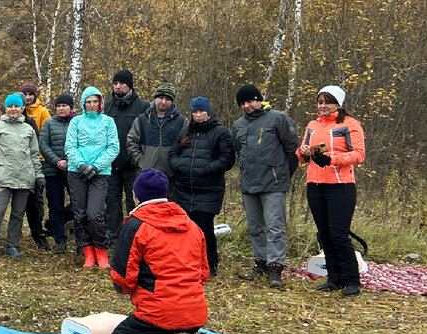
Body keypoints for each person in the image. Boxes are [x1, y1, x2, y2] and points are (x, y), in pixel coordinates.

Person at [104, 169, 215, 334]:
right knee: (166, 327)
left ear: (137, 195)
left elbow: (123, 279)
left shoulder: (136, 226)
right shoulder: (192, 226)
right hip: (196, 314)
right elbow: (203, 274)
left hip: (157, 314)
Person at [298, 85, 366, 298]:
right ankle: (334, 279)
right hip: (315, 185)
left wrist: (332, 160)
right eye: (320, 102)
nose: (323, 106)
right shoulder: (312, 125)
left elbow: (359, 154)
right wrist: (303, 152)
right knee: (324, 235)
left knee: (339, 235)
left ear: (338, 103)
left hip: (340, 186)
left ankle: (352, 281)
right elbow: (303, 154)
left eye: (328, 101)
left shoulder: (350, 124)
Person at [232, 84, 299, 289]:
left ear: (259, 100)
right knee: (254, 228)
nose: (247, 105)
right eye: (242, 103)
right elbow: (238, 150)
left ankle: (275, 268)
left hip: (274, 184)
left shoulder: (278, 118)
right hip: (249, 184)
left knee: (275, 228)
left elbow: (293, 150)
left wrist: (282, 174)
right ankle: (260, 264)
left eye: (250, 101)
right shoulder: (238, 125)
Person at [168, 98, 236, 276]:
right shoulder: (185, 131)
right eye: (195, 112)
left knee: (204, 229)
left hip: (208, 190)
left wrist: (207, 169)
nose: (198, 115)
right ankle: (185, 264)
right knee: (183, 229)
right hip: (183, 189)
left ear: (208, 112)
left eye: (201, 112)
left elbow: (228, 159)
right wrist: (179, 165)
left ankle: (209, 265)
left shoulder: (220, 132)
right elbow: (173, 152)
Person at [0, 94, 43, 262]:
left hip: (24, 179)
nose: (13, 109)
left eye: (17, 106)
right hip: (2, 177)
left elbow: (34, 155)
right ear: (5, 108)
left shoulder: (28, 129)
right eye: (10, 106)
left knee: (18, 214)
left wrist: (39, 176)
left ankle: (12, 246)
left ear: (22, 108)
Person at [63, 86, 119, 269]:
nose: (92, 105)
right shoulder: (76, 122)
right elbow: (70, 146)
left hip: (100, 173)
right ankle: (87, 252)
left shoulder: (108, 122)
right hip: (77, 172)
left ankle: (101, 250)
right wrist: (82, 165)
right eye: (89, 102)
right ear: (83, 104)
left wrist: (96, 167)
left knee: (95, 214)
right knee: (80, 214)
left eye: (96, 101)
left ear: (101, 103)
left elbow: (113, 148)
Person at [104, 70, 149, 247]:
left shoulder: (143, 107)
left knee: (134, 203)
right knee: (112, 202)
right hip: (110, 165)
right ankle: (113, 237)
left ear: (129, 85)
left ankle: (132, 237)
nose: (118, 86)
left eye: (122, 83)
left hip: (134, 165)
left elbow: (147, 135)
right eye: (115, 83)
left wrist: (142, 160)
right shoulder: (106, 107)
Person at [126, 82, 186, 195]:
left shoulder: (182, 122)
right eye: (161, 97)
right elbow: (131, 143)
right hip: (146, 178)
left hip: (172, 180)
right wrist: (142, 162)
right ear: (155, 98)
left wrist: (177, 165)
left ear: (172, 101)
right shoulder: (142, 120)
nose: (163, 102)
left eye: (168, 99)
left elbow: (187, 146)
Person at [38, 92, 77, 254]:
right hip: (52, 170)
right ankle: (60, 240)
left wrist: (69, 161)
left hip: (74, 169)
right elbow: (43, 144)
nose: (61, 109)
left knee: (78, 204)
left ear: (71, 108)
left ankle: (81, 238)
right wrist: (57, 162)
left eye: (64, 106)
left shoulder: (77, 122)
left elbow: (81, 143)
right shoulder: (48, 124)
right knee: (55, 205)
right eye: (59, 106)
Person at [20, 81, 51, 250]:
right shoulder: (11, 113)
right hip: (13, 165)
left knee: (35, 201)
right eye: (25, 94)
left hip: (36, 161)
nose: (28, 97)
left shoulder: (42, 113)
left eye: (31, 94)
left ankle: (38, 234)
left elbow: (43, 137)